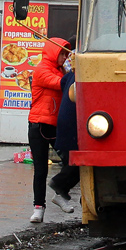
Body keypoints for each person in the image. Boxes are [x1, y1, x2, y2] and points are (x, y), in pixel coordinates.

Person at [28, 36, 71, 222]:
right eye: (62, 54)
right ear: (55, 53)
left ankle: (60, 191)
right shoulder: (42, 70)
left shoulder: (61, 70)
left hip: (56, 125)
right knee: (40, 169)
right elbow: (60, 84)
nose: (65, 58)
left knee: (72, 160)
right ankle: (39, 207)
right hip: (39, 125)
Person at [49, 53, 79, 214]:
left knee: (75, 161)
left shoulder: (70, 76)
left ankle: (62, 192)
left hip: (65, 126)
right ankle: (59, 185)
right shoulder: (79, 76)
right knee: (79, 162)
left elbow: (61, 83)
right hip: (73, 127)